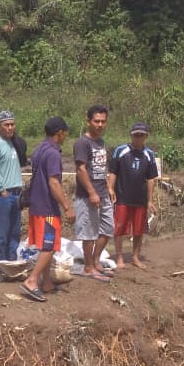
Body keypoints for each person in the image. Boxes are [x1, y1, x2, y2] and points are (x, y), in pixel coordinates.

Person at [20, 117, 75, 302]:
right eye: (65, 132)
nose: (66, 136)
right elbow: (53, 182)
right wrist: (67, 206)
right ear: (60, 132)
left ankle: (47, 282)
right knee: (49, 246)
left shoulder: (39, 149)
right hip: (47, 208)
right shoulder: (53, 153)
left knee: (45, 245)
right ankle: (32, 280)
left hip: (36, 205)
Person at [108, 122, 159, 269]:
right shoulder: (120, 151)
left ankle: (136, 257)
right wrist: (110, 188)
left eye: (141, 135)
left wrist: (150, 200)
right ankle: (119, 257)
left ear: (146, 137)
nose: (138, 138)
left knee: (139, 230)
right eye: (136, 135)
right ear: (131, 135)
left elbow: (151, 179)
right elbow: (113, 172)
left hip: (140, 199)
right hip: (122, 197)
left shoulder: (149, 155)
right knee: (120, 228)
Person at [73, 105, 115, 281]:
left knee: (108, 228)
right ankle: (88, 267)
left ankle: (96, 261)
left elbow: (100, 168)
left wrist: (109, 188)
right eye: (96, 121)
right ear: (88, 121)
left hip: (103, 192)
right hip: (87, 195)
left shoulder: (101, 142)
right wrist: (91, 192)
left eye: (103, 121)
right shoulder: (82, 143)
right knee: (89, 233)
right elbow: (81, 169)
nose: (100, 124)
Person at [0, 110, 24, 263]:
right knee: (2, 233)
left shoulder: (12, 143)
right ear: (0, 126)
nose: (10, 128)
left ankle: (11, 261)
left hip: (16, 194)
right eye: (6, 125)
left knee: (14, 232)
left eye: (12, 124)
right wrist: (2, 191)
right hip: (3, 195)